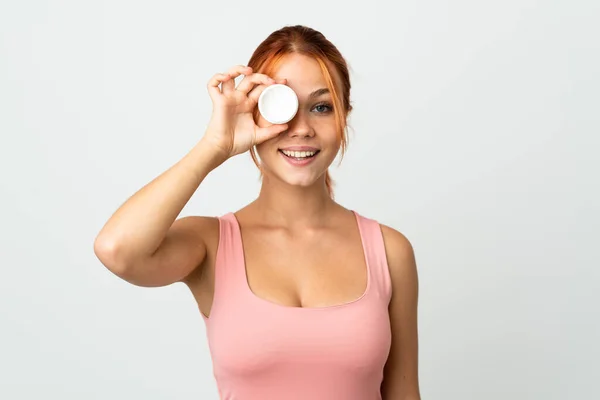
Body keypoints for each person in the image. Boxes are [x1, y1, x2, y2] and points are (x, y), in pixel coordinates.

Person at [94, 25, 421, 400]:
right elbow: (116, 250)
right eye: (281, 106)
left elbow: (404, 391)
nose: (301, 129)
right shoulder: (211, 245)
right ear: (253, 111)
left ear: (344, 115)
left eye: (321, 107)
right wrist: (214, 146)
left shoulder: (389, 251)